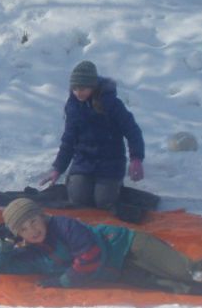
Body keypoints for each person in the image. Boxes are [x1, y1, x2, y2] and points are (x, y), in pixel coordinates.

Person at [0, 197, 202, 308]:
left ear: (42, 216)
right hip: (125, 271)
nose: (32, 229)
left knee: (191, 271)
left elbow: (89, 260)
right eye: (24, 229)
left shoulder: (65, 226)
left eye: (33, 221)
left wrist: (62, 281)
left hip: (131, 246)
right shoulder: (33, 251)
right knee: (190, 288)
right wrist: (6, 243)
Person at [41, 60, 145, 211]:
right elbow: (68, 140)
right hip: (84, 162)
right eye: (75, 88)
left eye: (82, 88)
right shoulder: (73, 107)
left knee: (103, 202)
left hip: (110, 163)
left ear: (93, 85)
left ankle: (114, 186)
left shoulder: (112, 104)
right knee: (79, 200)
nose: (78, 92)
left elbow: (133, 131)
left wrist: (136, 158)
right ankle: (77, 182)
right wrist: (58, 168)